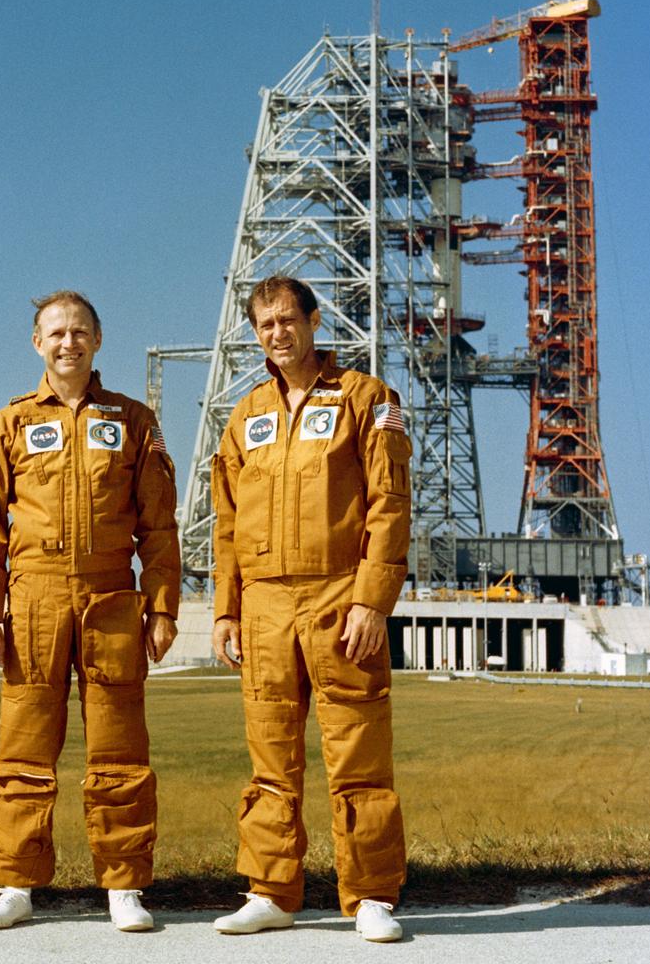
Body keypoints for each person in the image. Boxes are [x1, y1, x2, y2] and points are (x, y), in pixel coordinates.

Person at [0, 290, 180, 932]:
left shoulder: (135, 422)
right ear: (38, 343)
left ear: (98, 339)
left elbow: (160, 528)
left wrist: (163, 606)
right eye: (56, 333)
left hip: (113, 598)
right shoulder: (8, 424)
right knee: (24, 749)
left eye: (80, 331)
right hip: (33, 598)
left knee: (120, 748)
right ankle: (16, 882)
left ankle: (124, 885)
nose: (68, 342)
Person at [210, 276, 409, 944]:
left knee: (357, 751)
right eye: (264, 324)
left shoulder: (366, 399)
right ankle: (270, 890)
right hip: (264, 603)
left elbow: (387, 505)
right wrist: (225, 610)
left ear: (314, 321)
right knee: (270, 757)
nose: (277, 333)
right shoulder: (245, 416)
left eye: (287, 319)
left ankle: (373, 895)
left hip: (337, 596)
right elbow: (226, 521)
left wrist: (370, 602)